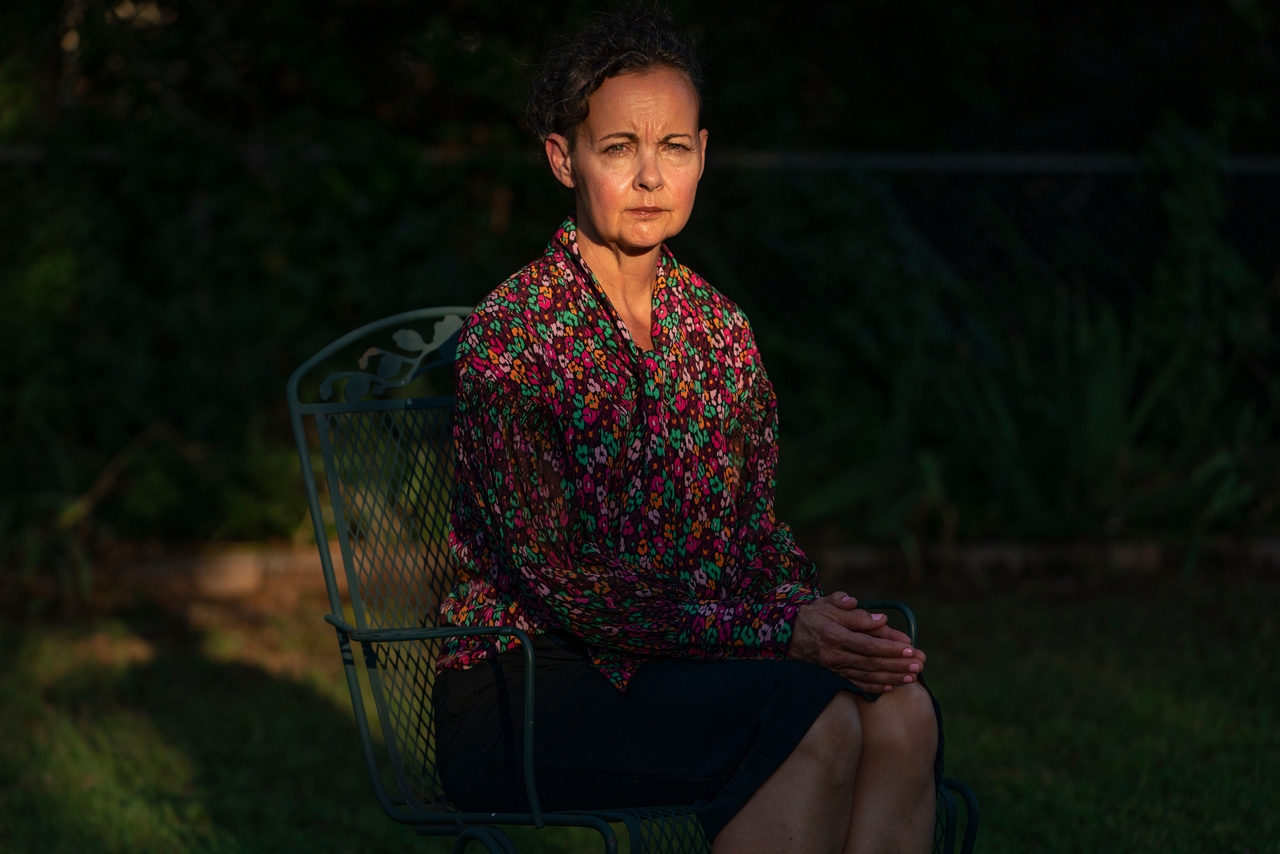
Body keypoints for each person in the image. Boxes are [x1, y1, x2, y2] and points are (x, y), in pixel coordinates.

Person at [433, 7, 941, 853]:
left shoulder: (719, 331)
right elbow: (570, 586)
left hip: (681, 664)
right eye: (617, 148)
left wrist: (818, 614)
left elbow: (752, 539)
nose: (648, 177)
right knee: (811, 726)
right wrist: (777, 631)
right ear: (564, 159)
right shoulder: (515, 335)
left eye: (671, 148)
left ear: (702, 154)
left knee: (901, 713)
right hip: (531, 685)